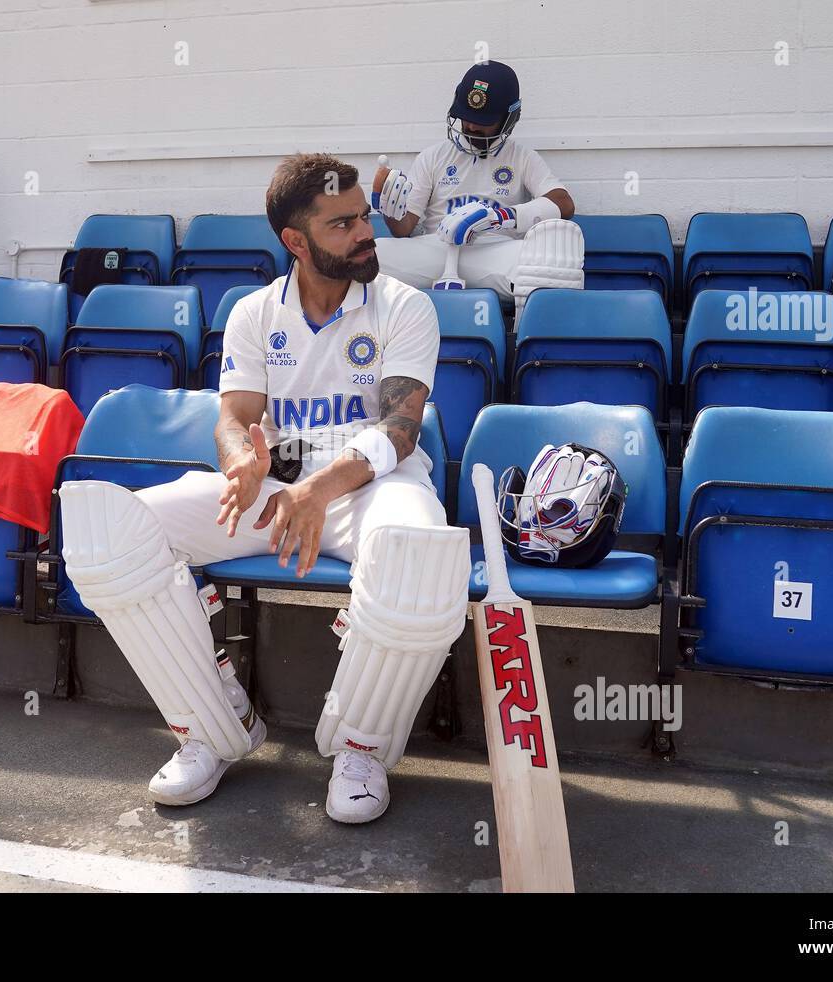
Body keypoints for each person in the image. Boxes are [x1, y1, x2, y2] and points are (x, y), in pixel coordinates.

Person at [59, 153, 471, 824]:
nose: (366, 233)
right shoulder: (254, 312)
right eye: (343, 225)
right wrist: (239, 466)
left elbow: (399, 430)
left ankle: (360, 747)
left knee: (420, 552)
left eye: (365, 216)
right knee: (115, 534)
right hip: (281, 479)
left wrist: (318, 491)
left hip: (372, 483)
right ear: (295, 242)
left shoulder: (405, 306)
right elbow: (234, 418)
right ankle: (210, 727)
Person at [372, 60, 584, 313]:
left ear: (509, 118)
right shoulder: (433, 156)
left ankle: (522, 342)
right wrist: (390, 211)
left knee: (553, 263)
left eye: (483, 121)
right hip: (435, 251)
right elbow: (403, 229)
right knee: (373, 255)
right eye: (466, 117)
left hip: (494, 251)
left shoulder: (521, 157)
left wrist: (501, 217)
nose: (471, 127)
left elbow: (564, 203)